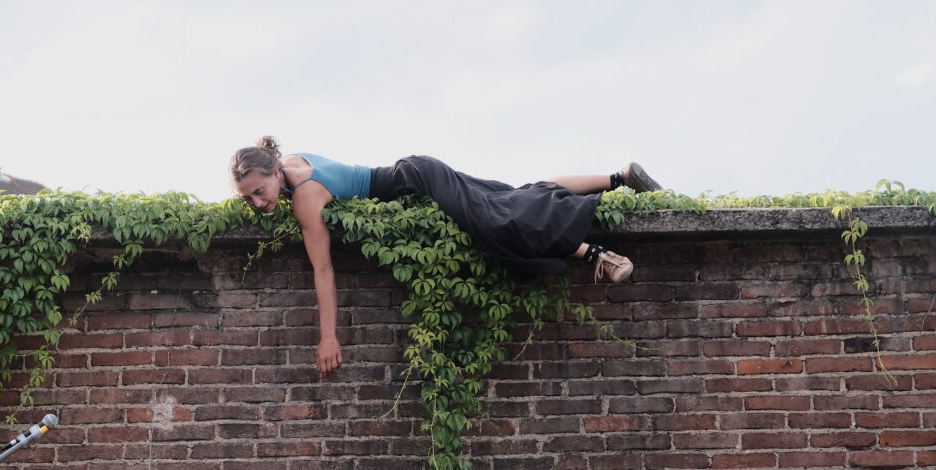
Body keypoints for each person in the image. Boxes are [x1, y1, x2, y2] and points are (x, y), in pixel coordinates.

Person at [228, 137, 661, 374]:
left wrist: (328, 338)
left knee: (499, 225)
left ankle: (594, 253)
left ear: (272, 172)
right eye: (248, 200)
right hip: (416, 170)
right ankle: (617, 177)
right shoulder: (290, 161)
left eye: (260, 192)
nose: (259, 204)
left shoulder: (303, 198)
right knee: (513, 197)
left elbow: (323, 268)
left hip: (417, 181)